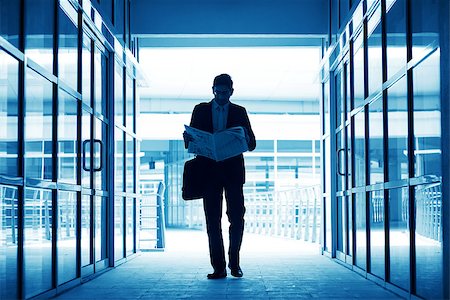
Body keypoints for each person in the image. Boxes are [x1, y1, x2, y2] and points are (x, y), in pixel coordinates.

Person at [183, 74, 256, 279]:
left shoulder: (239, 112)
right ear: (212, 90)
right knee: (212, 220)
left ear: (231, 92)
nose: (221, 96)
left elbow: (251, 144)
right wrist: (188, 139)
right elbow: (192, 140)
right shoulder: (201, 110)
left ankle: (235, 263)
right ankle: (219, 267)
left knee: (237, 218)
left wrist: (245, 137)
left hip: (233, 173)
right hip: (208, 172)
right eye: (217, 92)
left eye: (224, 92)